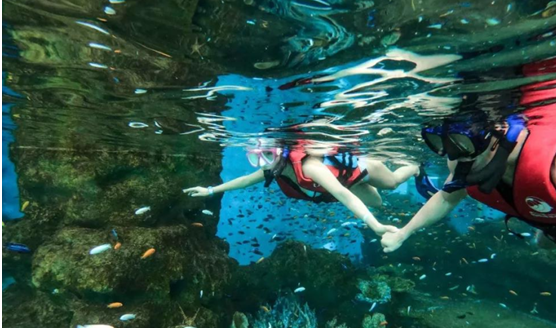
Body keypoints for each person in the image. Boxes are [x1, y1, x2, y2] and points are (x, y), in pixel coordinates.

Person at [381, 59, 556, 252]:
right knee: (544, 243)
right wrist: (404, 232)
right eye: (443, 144)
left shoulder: (549, 166)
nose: (456, 157)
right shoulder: (464, 165)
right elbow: (446, 199)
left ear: (496, 136)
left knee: (545, 244)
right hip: (543, 220)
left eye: (463, 142)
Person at [184, 141, 420, 237]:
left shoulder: (309, 167)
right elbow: (245, 180)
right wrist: (210, 191)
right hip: (346, 183)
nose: (264, 165)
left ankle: (415, 167)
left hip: (361, 170)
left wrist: (375, 225)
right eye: (257, 159)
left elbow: (342, 194)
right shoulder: (272, 168)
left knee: (393, 184)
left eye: (267, 156)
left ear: (280, 153)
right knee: (378, 202)